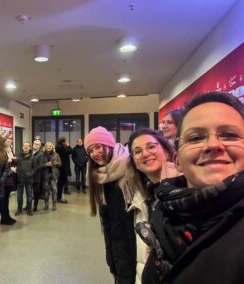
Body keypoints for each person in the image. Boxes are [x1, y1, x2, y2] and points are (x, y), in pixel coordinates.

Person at [142, 92, 244, 284]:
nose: (213, 145)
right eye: (196, 138)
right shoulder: (166, 215)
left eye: (229, 135)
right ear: (177, 160)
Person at [85, 127, 136, 284]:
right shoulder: (98, 175)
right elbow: (105, 218)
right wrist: (110, 254)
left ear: (109, 145)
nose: (95, 154)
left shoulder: (130, 166)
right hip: (115, 241)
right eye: (91, 150)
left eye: (98, 147)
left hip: (135, 238)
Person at [125, 129, 175, 283]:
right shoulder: (140, 198)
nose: (145, 154)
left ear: (166, 151)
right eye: (137, 151)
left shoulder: (188, 191)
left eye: (151, 147)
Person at [15, 142, 36, 216]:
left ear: (30, 148)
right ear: (22, 147)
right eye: (24, 146)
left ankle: (29, 210)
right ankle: (19, 209)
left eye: (27, 146)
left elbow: (35, 168)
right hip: (20, 179)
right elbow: (15, 165)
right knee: (19, 197)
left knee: (29, 196)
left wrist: (30, 174)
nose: (26, 147)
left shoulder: (33, 157)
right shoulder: (18, 156)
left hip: (29, 179)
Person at [1, 137, 17, 225]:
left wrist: (14, 160)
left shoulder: (10, 150)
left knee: (6, 199)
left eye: (10, 141)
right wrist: (9, 161)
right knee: (3, 199)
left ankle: (7, 217)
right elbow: (2, 164)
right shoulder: (2, 152)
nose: (9, 142)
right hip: (5, 178)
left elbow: (14, 162)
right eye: (7, 141)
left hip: (10, 177)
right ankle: (4, 218)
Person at [42, 142, 61, 211]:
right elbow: (40, 165)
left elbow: (60, 164)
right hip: (45, 175)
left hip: (54, 175)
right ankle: (46, 205)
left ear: (52, 147)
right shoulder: (42, 155)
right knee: (46, 191)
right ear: (45, 148)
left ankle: (54, 205)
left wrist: (56, 163)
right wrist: (46, 164)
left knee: (54, 191)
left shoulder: (56, 154)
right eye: (47, 146)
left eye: (50, 146)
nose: (49, 147)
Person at [56, 137, 72, 202]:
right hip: (62, 169)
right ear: (62, 142)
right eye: (66, 141)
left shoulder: (60, 147)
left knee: (62, 183)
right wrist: (68, 146)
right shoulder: (60, 148)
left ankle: (59, 197)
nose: (67, 143)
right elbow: (70, 151)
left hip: (62, 168)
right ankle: (58, 198)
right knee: (60, 183)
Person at [32, 139, 44, 211]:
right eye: (34, 143)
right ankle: (28, 205)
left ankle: (35, 205)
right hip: (29, 177)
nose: (36, 145)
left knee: (36, 192)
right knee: (28, 192)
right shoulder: (29, 152)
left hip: (36, 176)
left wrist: (32, 170)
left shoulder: (41, 154)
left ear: (40, 146)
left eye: (37, 144)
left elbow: (41, 165)